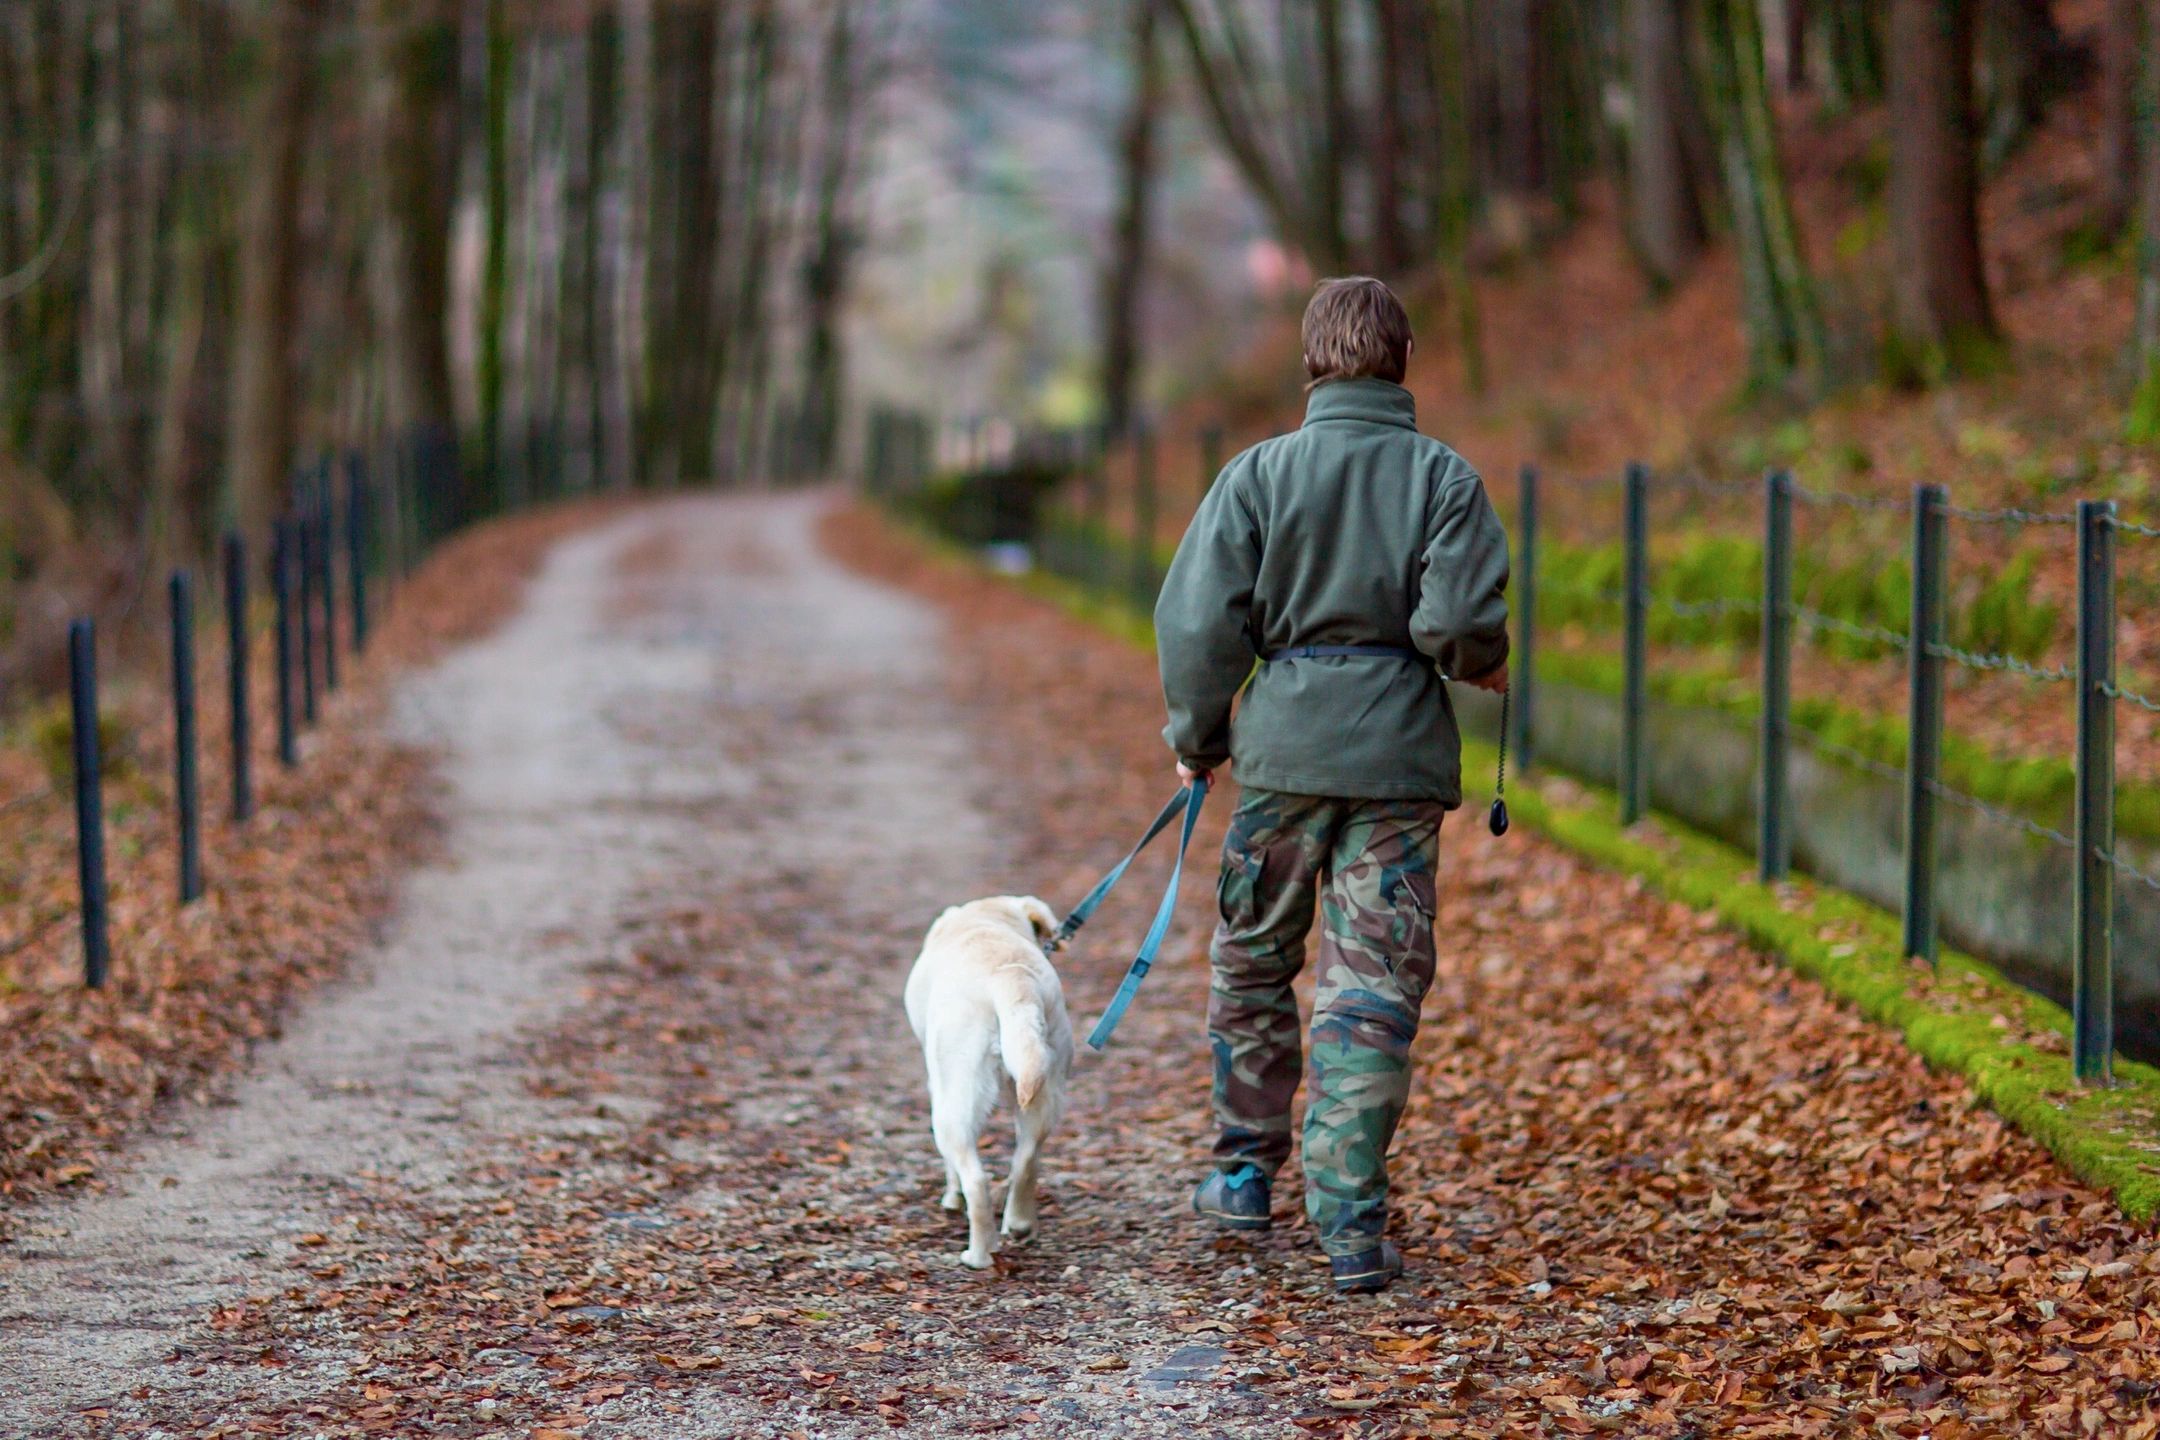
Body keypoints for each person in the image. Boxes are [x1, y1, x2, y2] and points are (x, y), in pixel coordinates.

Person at [1153, 276, 1510, 1295]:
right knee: (1372, 987)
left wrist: (1198, 738)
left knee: (1254, 962)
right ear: (1403, 361)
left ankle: (1241, 1177)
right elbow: (1457, 626)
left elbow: (1196, 624)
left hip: (1280, 764)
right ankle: (1350, 1222)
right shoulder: (1443, 479)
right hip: (1396, 767)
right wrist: (1480, 656)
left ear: (1311, 361)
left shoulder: (1257, 476)